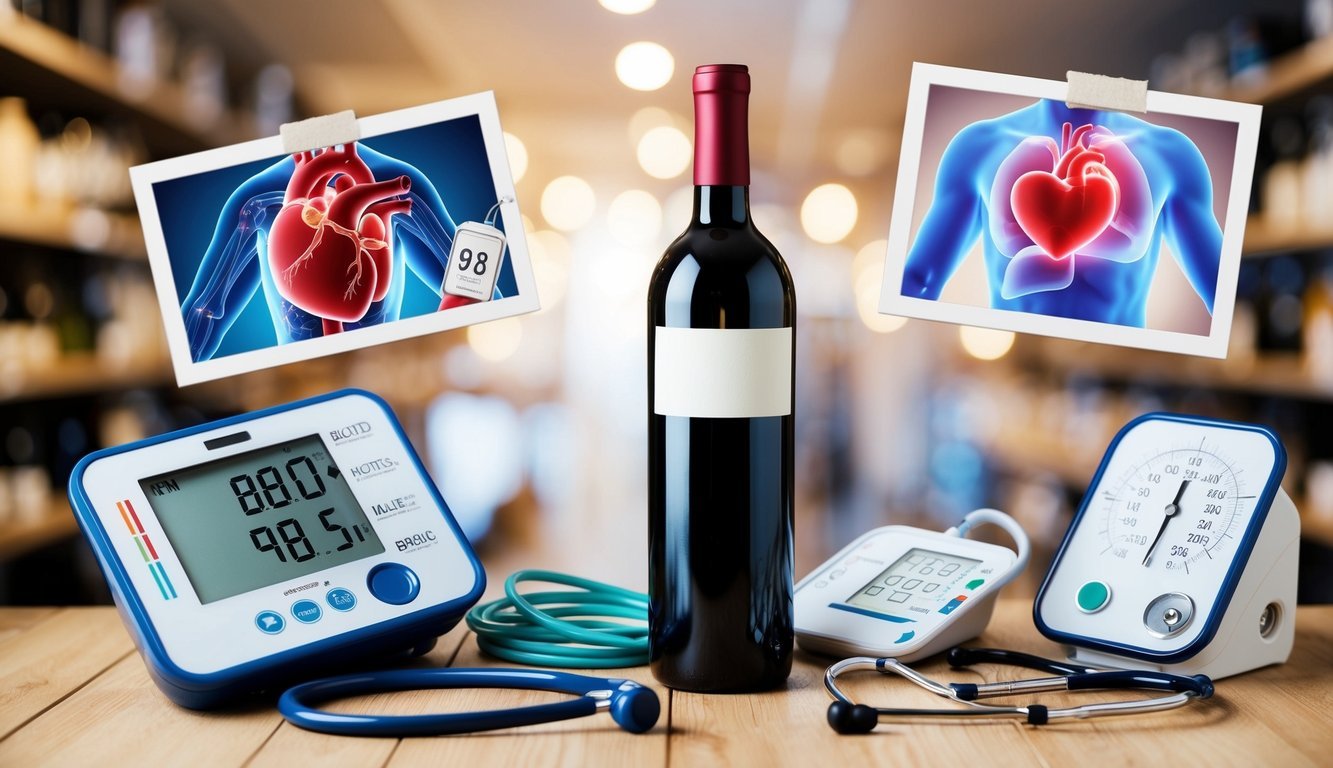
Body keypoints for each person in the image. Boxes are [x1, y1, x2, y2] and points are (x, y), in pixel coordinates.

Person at [902, 98, 1222, 327]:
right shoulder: (980, 146)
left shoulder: (1170, 154)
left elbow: (1224, 296)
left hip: (1120, 373)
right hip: (1012, 368)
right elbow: (919, 280)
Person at [181, 142, 498, 362]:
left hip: (386, 384)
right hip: (296, 393)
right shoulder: (258, 200)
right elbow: (205, 312)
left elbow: (485, 304)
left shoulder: (400, 188)